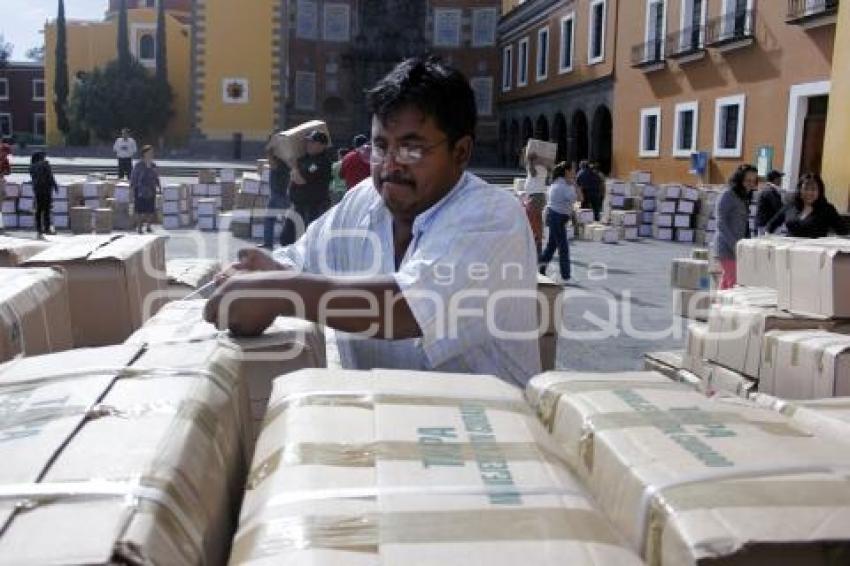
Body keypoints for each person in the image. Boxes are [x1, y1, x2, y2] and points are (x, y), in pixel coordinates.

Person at [204, 56, 541, 387]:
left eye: (411, 149)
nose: (390, 165)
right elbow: (300, 261)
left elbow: (406, 308)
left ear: (461, 152)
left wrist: (279, 291)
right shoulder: (363, 200)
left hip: (484, 436)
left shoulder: (493, 217)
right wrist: (262, 272)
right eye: (380, 147)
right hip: (379, 430)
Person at [714, 164, 758, 290]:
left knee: (727, 282)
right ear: (739, 179)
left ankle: (718, 307)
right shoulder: (728, 195)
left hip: (739, 247)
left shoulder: (744, 196)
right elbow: (720, 222)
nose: (751, 184)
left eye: (753, 181)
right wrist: (734, 244)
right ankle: (724, 307)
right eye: (747, 180)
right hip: (727, 247)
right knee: (733, 281)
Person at [766, 173, 849, 238]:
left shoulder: (827, 209)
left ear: (819, 191)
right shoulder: (790, 206)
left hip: (815, 256)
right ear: (800, 190)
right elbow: (771, 225)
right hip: (790, 254)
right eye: (805, 188)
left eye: (813, 189)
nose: (809, 193)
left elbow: (843, 231)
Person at [539, 162, 577, 283]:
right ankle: (566, 277)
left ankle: (539, 267)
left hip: (554, 216)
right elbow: (578, 198)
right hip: (557, 217)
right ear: (566, 171)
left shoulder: (557, 183)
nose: (573, 172)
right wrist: (574, 184)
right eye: (572, 170)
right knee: (563, 248)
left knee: (551, 246)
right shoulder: (564, 185)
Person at [290, 130, 332, 229]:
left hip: (313, 206)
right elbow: (293, 177)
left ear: (322, 145)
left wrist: (294, 167)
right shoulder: (304, 159)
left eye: (312, 142)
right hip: (298, 205)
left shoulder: (321, 162)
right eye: (308, 142)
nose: (309, 144)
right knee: (286, 238)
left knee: (308, 235)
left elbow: (301, 180)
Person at [261, 149, 293, 250]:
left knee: (285, 220)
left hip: (280, 195)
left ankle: (287, 243)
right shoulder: (281, 163)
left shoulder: (281, 164)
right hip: (276, 195)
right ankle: (268, 242)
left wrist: (270, 150)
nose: (268, 160)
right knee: (270, 218)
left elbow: (272, 161)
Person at [130, 145, 161, 233]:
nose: (151, 154)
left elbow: (156, 177)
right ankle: (139, 227)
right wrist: (132, 188)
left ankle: (148, 225)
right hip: (140, 189)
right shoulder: (138, 165)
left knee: (150, 209)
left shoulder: (153, 165)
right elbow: (134, 177)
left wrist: (159, 187)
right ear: (144, 154)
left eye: (152, 153)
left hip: (151, 189)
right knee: (140, 209)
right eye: (149, 152)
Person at [523, 152, 548, 257]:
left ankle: (536, 246)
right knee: (536, 220)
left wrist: (530, 161)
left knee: (533, 221)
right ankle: (537, 246)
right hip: (536, 196)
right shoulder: (543, 167)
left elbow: (533, 173)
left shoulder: (536, 167)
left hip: (536, 197)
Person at [29, 151, 59, 239]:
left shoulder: (31, 166)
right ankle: (46, 228)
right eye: (43, 156)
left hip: (37, 190)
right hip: (45, 189)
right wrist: (55, 186)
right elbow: (50, 176)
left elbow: (34, 177)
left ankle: (39, 229)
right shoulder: (45, 165)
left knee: (39, 209)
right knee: (46, 210)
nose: (45, 158)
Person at [755, 170, 785, 235]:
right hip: (768, 226)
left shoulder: (768, 189)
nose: (781, 180)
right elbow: (778, 208)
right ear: (775, 179)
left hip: (766, 225)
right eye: (779, 177)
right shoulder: (770, 191)